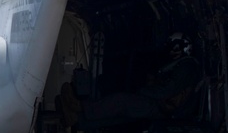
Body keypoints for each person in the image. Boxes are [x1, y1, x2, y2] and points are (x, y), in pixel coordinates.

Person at [60, 32, 204, 128]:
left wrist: (143, 91)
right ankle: (76, 119)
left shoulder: (187, 67)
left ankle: (79, 106)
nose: (171, 52)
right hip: (163, 106)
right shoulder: (183, 66)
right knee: (118, 115)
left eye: (175, 48)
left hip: (163, 107)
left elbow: (166, 91)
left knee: (121, 101)